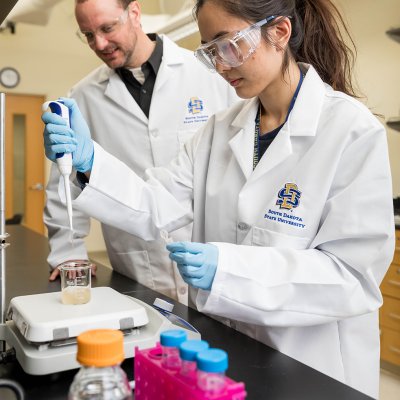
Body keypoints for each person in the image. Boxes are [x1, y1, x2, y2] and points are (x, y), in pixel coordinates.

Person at [42, 0, 395, 397]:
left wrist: (228, 270)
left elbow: (351, 276)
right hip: (227, 352)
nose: (220, 65)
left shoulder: (350, 130)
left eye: (227, 44)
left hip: (313, 365)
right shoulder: (218, 130)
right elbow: (156, 203)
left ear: (279, 32)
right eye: (209, 50)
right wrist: (91, 162)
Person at [44, 0, 238, 303]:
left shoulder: (207, 73)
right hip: (136, 262)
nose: (100, 43)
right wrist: (68, 251)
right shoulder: (83, 96)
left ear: (135, 13)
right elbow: (63, 183)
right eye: (88, 35)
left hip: (211, 256)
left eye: (108, 28)